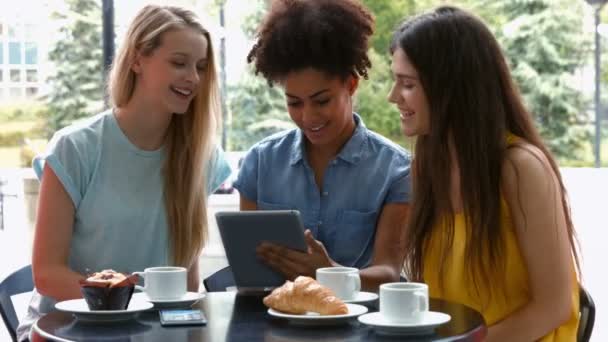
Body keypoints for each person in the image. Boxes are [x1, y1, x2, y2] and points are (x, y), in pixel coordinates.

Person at [16, 5, 231, 341]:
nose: (193, 78)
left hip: (152, 329)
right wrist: (126, 301)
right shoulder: (75, 149)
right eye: (178, 62)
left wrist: (191, 330)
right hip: (67, 328)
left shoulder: (200, 156)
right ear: (137, 60)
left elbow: (187, 274)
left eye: (201, 67)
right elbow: (47, 274)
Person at [388, 6, 580, 341]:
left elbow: (555, 306)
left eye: (407, 84)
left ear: (451, 87)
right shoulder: (426, 166)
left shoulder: (521, 168)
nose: (393, 97)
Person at [234, 0, 411, 291]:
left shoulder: (397, 169)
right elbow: (248, 273)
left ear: (351, 86)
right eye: (294, 103)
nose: (308, 117)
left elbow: (389, 274)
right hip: (274, 324)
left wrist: (328, 273)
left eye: (321, 101)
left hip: (360, 329)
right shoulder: (260, 163)